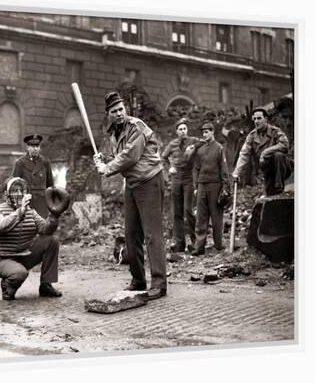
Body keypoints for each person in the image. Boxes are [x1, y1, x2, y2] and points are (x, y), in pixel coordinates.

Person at [93, 91, 167, 300]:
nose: (119, 114)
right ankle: (138, 280)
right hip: (133, 184)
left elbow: (129, 156)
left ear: (125, 110)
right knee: (131, 235)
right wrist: (104, 158)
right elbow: (119, 155)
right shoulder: (114, 131)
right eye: (114, 111)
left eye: (121, 109)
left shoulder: (136, 127)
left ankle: (159, 284)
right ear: (108, 113)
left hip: (150, 181)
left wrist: (106, 168)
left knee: (152, 234)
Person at [0, 177, 69, 301]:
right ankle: (7, 287)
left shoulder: (30, 212)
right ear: (6, 194)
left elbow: (45, 229)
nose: (19, 194)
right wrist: (19, 212)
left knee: (51, 241)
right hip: (3, 258)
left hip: (24, 255)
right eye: (15, 191)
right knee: (19, 273)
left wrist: (54, 215)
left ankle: (46, 285)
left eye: (22, 191)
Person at [188, 122, 230, 256]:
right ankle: (199, 247)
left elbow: (224, 169)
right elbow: (196, 168)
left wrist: (225, 187)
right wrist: (195, 186)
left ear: (212, 132)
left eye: (207, 132)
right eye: (203, 132)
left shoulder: (219, 148)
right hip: (201, 185)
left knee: (216, 215)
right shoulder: (200, 150)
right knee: (201, 216)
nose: (204, 134)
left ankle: (218, 245)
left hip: (215, 185)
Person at [232, 108, 291, 196]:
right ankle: (275, 190)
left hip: (281, 167)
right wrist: (237, 172)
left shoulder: (275, 131)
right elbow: (244, 154)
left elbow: (285, 145)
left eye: (259, 118)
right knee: (270, 196)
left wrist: (266, 152)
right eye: (254, 119)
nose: (256, 121)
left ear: (266, 119)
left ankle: (279, 187)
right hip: (267, 170)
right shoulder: (251, 136)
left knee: (278, 155)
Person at [161, 118, 199, 253]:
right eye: (180, 129)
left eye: (185, 129)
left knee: (188, 210)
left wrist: (194, 149)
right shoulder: (172, 144)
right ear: (177, 131)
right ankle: (179, 243)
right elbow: (163, 157)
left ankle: (196, 242)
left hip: (188, 178)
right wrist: (169, 168)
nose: (183, 131)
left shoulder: (193, 140)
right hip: (176, 179)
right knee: (176, 211)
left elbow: (205, 145)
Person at [11, 134, 54, 217]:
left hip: (42, 202)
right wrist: (18, 203)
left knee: (42, 226)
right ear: (28, 147)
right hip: (27, 201)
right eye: (32, 146)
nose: (35, 149)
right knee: (28, 225)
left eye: (37, 146)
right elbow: (14, 185)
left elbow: (50, 185)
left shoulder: (45, 162)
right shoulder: (20, 163)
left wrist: (51, 203)